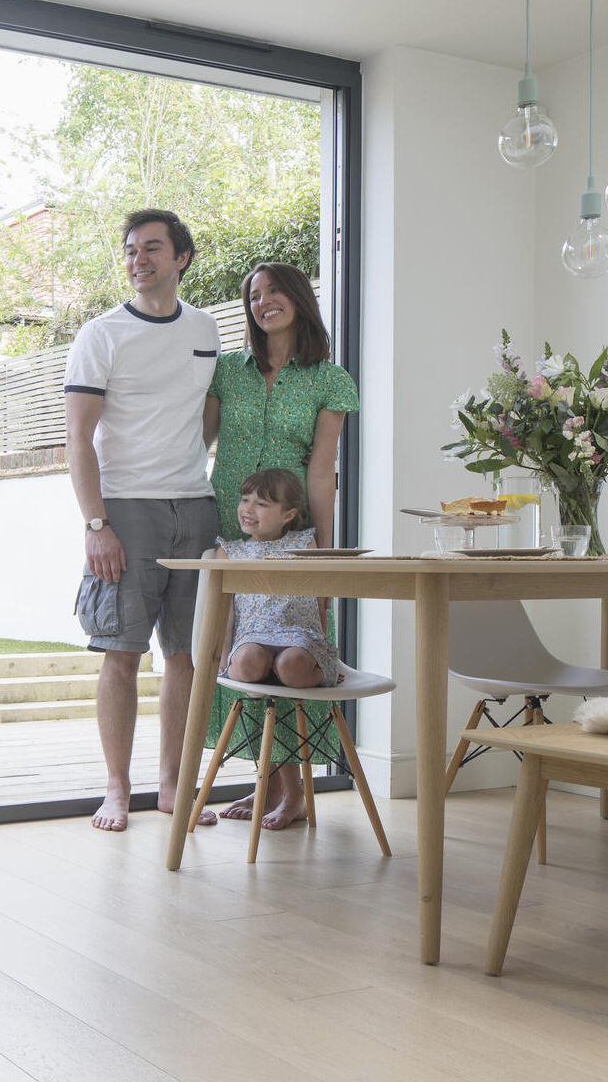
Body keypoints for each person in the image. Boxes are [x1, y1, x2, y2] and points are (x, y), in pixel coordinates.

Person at [64, 209, 222, 832]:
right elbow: (77, 437)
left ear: (181, 257)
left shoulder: (206, 329)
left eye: (152, 248)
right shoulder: (100, 335)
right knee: (121, 652)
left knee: (184, 656)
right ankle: (116, 789)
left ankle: (172, 787)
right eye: (130, 250)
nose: (138, 259)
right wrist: (96, 523)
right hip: (126, 510)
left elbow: (206, 417)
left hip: (197, 507)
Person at [202, 261, 359, 829]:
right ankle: (268, 786)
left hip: (292, 535)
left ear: (297, 298)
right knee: (240, 653)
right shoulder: (226, 372)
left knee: (291, 658)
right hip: (231, 524)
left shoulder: (329, 379)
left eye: (273, 292)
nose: (262, 302)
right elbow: (198, 443)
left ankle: (292, 792)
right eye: (253, 295)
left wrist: (322, 555)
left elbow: (321, 473)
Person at [215, 469, 346, 691]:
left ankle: (300, 672)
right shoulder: (230, 552)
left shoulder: (304, 545)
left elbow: (317, 602)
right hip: (252, 635)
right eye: (245, 500)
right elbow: (223, 610)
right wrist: (224, 651)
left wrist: (324, 652)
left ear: (288, 515)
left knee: (292, 666)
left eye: (261, 504)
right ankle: (265, 669)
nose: (247, 508)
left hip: (298, 635)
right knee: (248, 662)